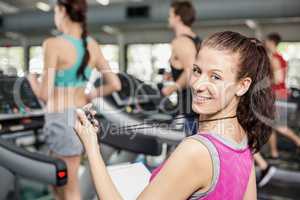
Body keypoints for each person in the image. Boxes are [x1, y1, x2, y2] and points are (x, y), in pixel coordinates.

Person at [74, 31, 275, 199]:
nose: (197, 84)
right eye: (197, 71)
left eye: (215, 76)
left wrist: (92, 146)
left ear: (243, 85)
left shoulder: (196, 150)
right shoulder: (243, 135)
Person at [28, 0, 121, 199]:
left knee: (70, 189)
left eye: (55, 12)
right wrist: (89, 94)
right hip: (79, 116)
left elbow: (44, 94)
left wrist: (31, 80)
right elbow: (115, 84)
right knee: (58, 184)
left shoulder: (53, 44)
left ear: (62, 11)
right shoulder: (92, 45)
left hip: (62, 119)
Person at [161, 1, 201, 135]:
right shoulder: (196, 39)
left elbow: (191, 71)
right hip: (195, 107)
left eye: (170, 15)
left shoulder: (180, 42)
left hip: (189, 109)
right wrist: (174, 75)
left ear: (177, 17)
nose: (168, 18)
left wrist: (172, 87)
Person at [265, 32, 300, 158]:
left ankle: (298, 142)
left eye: (267, 41)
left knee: (279, 126)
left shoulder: (274, 58)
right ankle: (274, 153)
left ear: (271, 42)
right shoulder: (281, 58)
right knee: (269, 126)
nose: (265, 43)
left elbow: (278, 79)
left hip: (277, 95)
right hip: (277, 94)